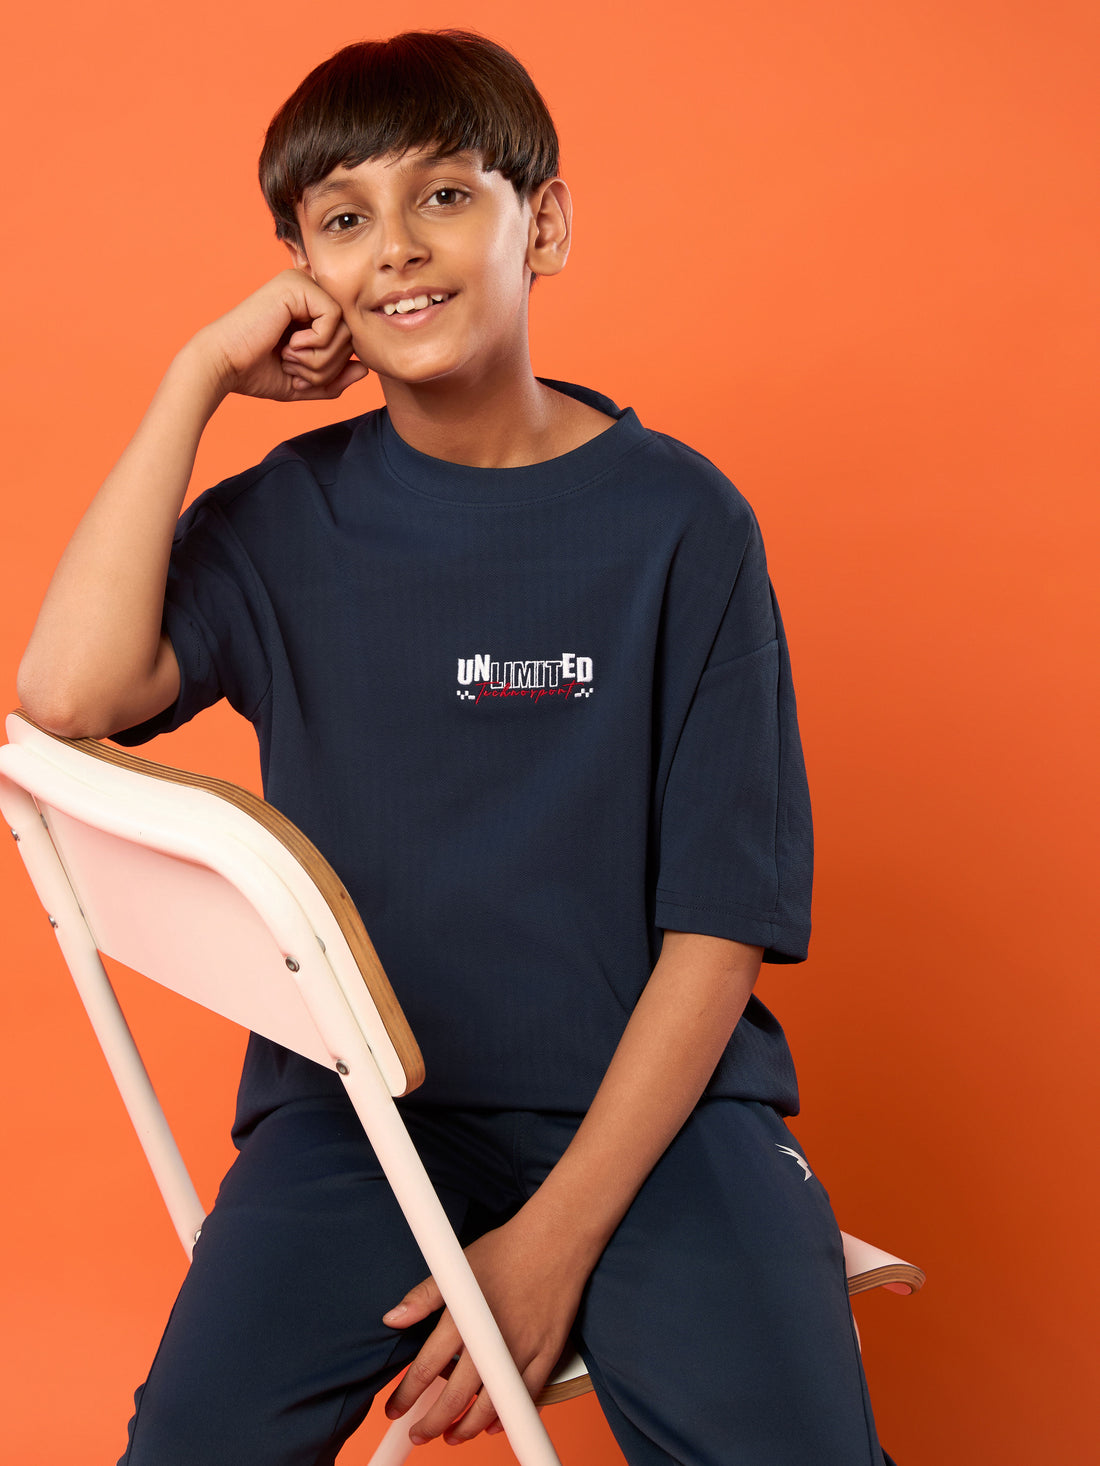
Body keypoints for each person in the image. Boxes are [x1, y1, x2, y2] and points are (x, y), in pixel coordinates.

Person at [18, 30, 891, 1466]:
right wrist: (196, 376)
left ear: (541, 222)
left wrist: (552, 1241)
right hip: (362, 1117)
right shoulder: (286, 519)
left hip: (656, 1116)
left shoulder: (684, 524)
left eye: (442, 195)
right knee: (189, 1441)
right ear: (305, 274)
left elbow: (720, 926)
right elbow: (61, 697)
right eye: (344, 219)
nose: (398, 250)